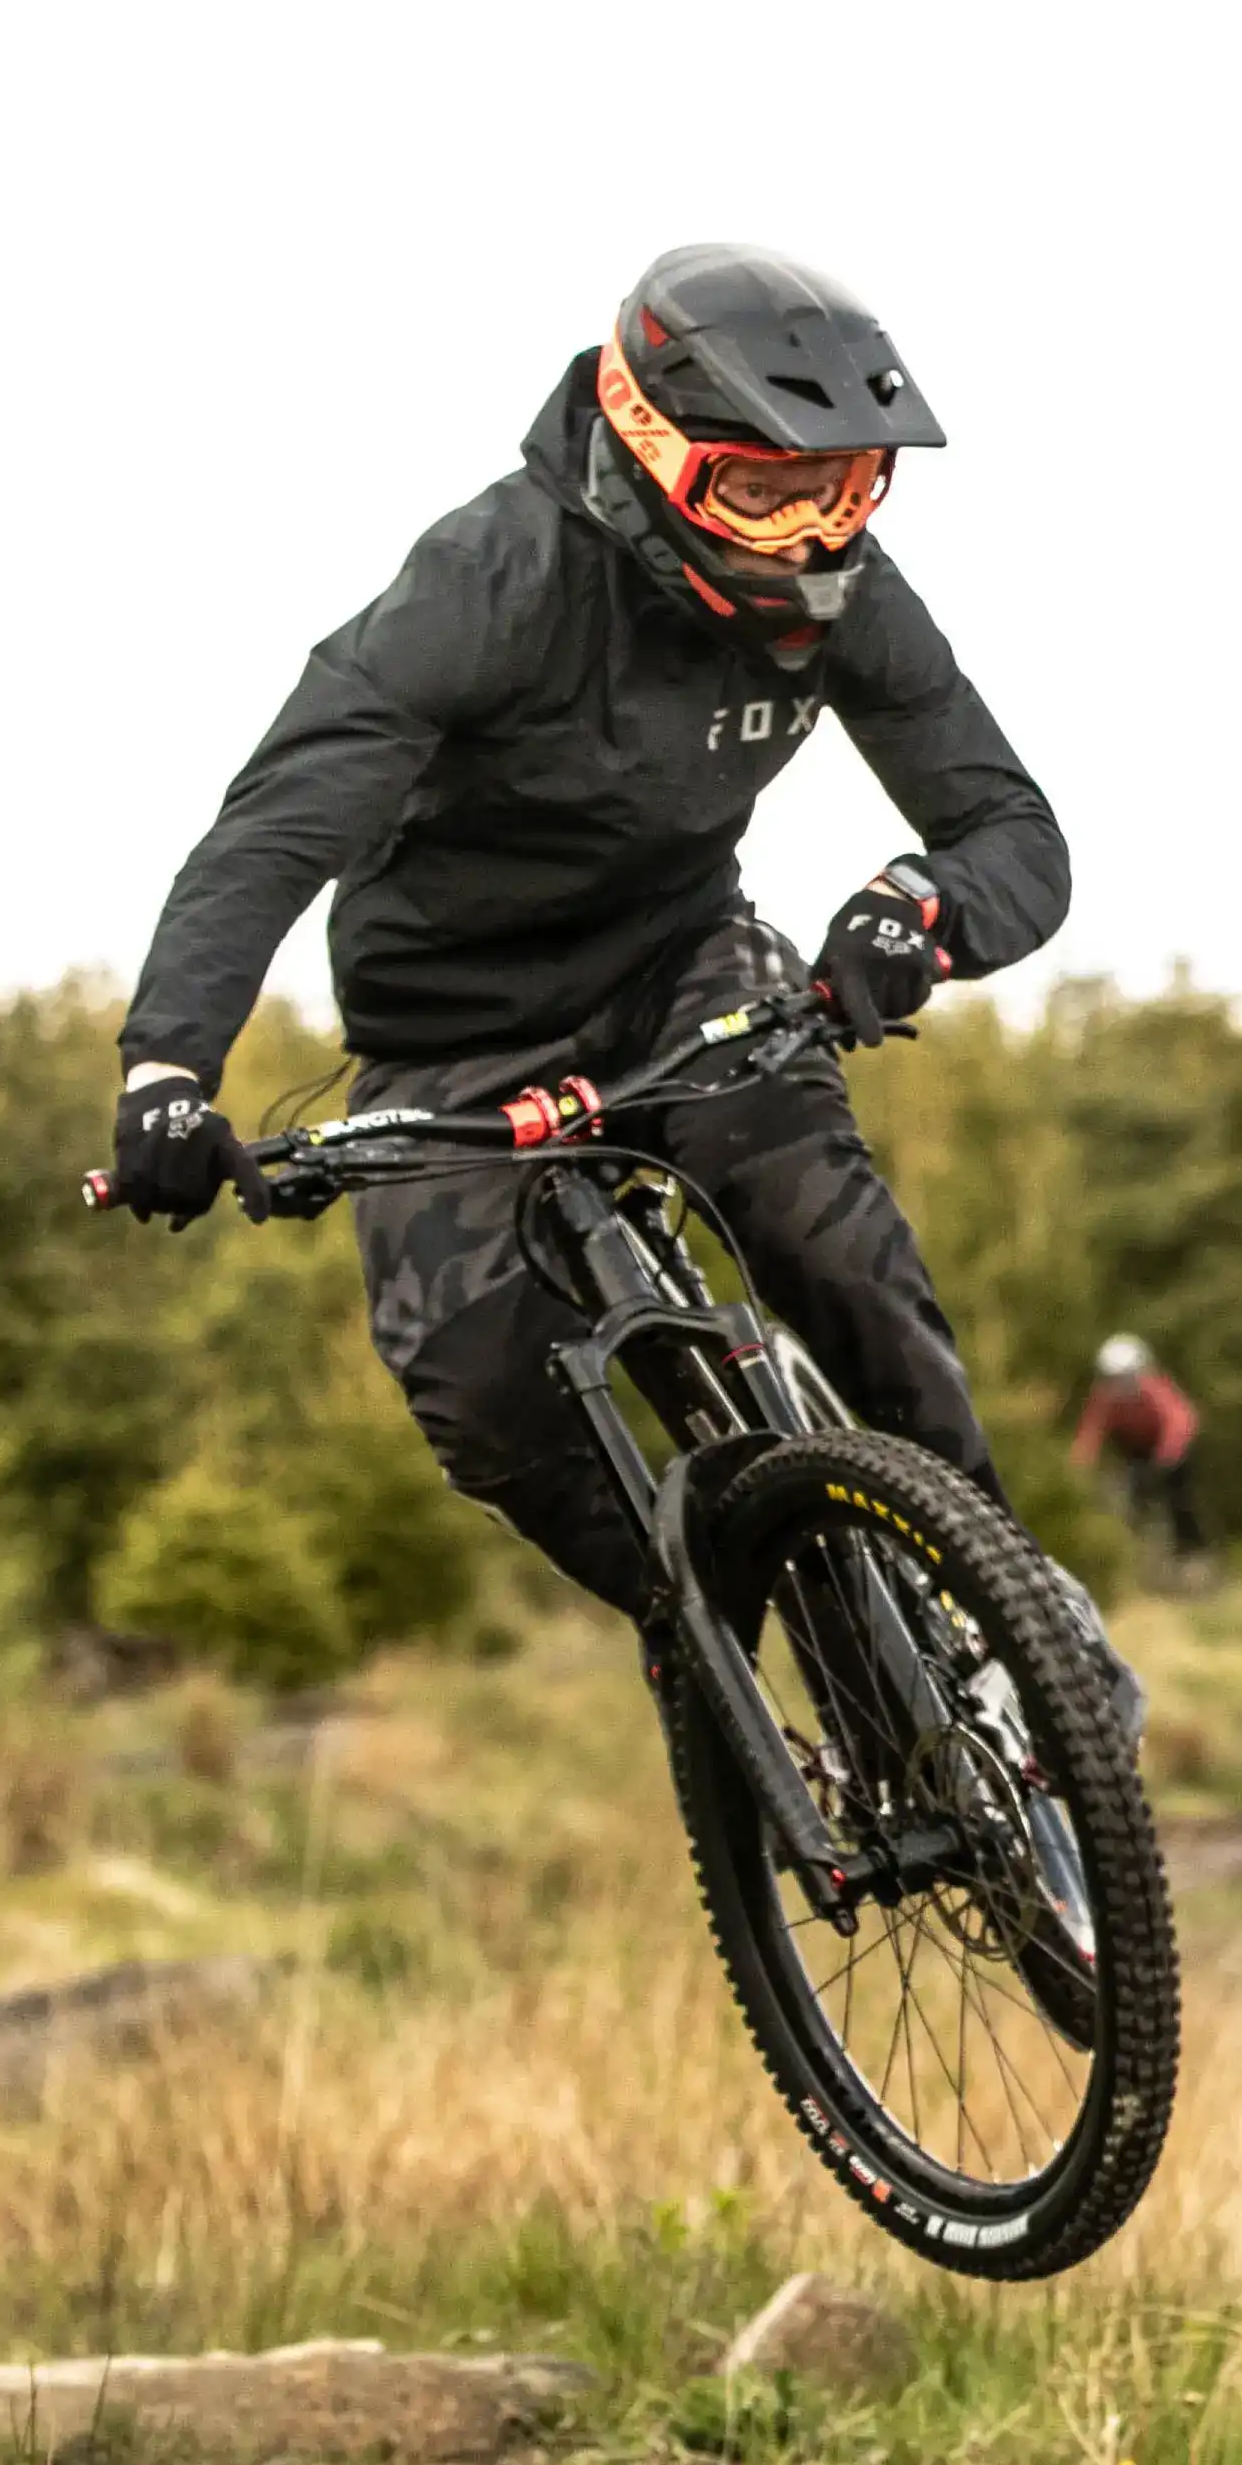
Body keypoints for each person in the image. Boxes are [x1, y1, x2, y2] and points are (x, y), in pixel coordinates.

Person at [103, 243, 1063, 1641]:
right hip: (449, 1035)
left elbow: (1011, 832)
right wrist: (166, 1069)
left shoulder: (848, 596)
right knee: (483, 1402)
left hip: (681, 976)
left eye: (847, 490)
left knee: (831, 1245)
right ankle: (714, 1644)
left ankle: (1004, 1615)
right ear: (650, 442)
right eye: (765, 491)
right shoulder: (488, 582)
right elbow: (273, 833)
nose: (811, 538)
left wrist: (921, 913)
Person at [1069, 1334, 1205, 1559]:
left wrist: (1166, 1457)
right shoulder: (1105, 1396)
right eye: (1112, 1378)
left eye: (1124, 1377)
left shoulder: (1154, 1387)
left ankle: (1192, 1549)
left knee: (1179, 1498)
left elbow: (1180, 1420)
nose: (1119, 1384)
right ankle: (1137, 1549)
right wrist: (1078, 1466)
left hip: (1170, 1449)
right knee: (1132, 1496)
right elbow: (1091, 1432)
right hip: (1134, 1451)